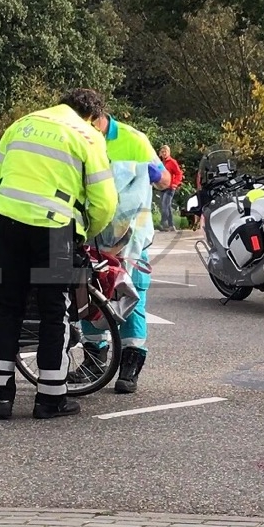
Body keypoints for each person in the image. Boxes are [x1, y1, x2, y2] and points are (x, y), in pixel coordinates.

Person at [0, 88, 117, 421]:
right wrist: (83, 231)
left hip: (7, 223)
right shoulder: (87, 136)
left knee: (8, 306)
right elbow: (104, 203)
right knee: (54, 309)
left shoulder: (22, 124)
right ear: (91, 115)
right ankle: (50, 398)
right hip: (55, 231)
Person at [72, 116, 163, 395]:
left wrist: (151, 173)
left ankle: (129, 365)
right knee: (88, 293)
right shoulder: (77, 135)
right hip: (93, 233)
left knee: (130, 296)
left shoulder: (133, 139)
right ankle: (94, 359)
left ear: (98, 115)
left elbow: (165, 179)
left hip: (132, 236)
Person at [157, 145, 183, 232]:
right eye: (162, 152)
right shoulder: (161, 163)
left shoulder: (172, 162)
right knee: (166, 206)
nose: (164, 153)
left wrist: (175, 183)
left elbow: (179, 174)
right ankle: (171, 225)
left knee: (165, 204)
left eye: (165, 152)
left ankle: (163, 224)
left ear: (169, 152)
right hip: (163, 187)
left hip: (170, 187)